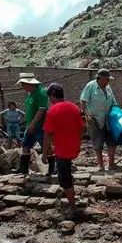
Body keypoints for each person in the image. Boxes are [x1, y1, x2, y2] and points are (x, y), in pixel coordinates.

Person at [41, 83, 86, 219]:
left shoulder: (53, 111)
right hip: (74, 148)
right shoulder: (74, 107)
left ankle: (73, 207)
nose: (49, 99)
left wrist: (44, 153)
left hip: (62, 150)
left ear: (53, 95)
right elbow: (82, 128)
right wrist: (76, 139)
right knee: (65, 173)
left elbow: (48, 134)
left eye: (49, 97)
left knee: (65, 178)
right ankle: (67, 193)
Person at [79, 69, 120, 172]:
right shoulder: (91, 86)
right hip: (95, 119)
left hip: (108, 119)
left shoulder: (108, 87)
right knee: (98, 143)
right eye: (106, 80)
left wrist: (118, 113)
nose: (108, 82)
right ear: (100, 79)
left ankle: (111, 164)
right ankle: (101, 166)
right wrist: (88, 117)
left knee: (112, 141)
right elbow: (83, 102)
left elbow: (114, 102)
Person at [16, 73, 55, 176]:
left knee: (45, 146)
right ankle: (23, 168)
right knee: (26, 145)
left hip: (39, 126)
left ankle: (52, 168)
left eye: (23, 84)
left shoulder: (40, 93)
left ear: (29, 84)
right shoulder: (31, 94)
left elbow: (41, 111)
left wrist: (33, 124)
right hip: (30, 125)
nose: (22, 87)